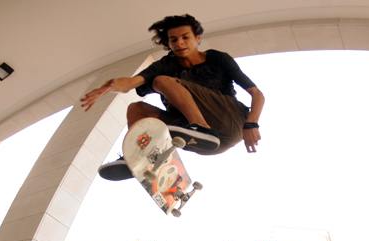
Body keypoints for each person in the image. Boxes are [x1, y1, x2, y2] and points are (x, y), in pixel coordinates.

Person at [80, 13, 265, 181]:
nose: (180, 43)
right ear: (168, 44)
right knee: (136, 109)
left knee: (161, 81)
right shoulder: (165, 64)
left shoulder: (217, 59)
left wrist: (252, 123)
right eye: (173, 40)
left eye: (185, 37)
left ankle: (200, 127)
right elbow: (131, 83)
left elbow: (257, 94)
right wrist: (112, 85)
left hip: (230, 119)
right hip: (208, 144)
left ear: (197, 38)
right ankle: (138, 158)